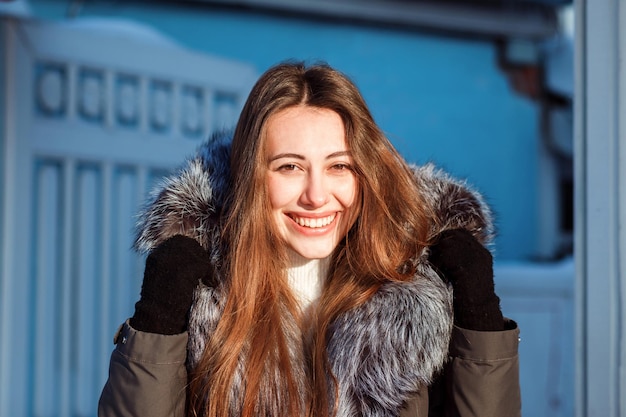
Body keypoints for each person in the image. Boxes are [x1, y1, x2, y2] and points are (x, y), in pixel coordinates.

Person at [98, 61, 521, 417]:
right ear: (251, 179)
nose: (317, 196)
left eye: (339, 166)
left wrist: (478, 321)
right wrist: (158, 321)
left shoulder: (421, 296)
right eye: (289, 167)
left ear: (365, 174)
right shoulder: (200, 298)